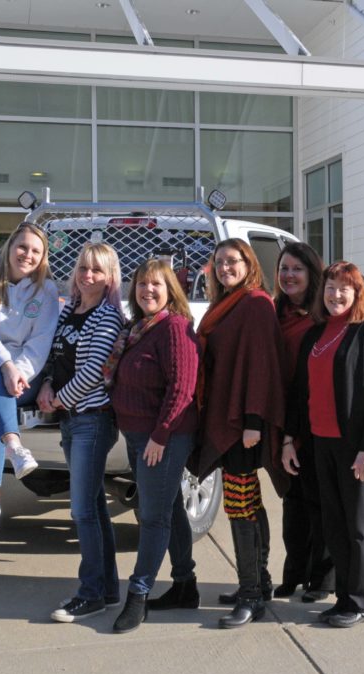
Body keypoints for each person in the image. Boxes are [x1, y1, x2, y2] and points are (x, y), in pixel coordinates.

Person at [284, 261, 364, 627]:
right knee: (334, 526)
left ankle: (361, 602)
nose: (335, 295)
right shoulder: (316, 335)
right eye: (330, 288)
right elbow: (301, 394)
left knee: (358, 527)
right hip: (321, 445)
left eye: (344, 288)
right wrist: (289, 440)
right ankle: (344, 596)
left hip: (356, 449)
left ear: (357, 292)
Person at [188, 238, 285, 629]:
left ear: (249, 264)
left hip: (242, 424)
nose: (226, 267)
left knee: (239, 506)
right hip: (225, 418)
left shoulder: (257, 304)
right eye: (220, 262)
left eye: (234, 261)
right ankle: (259, 583)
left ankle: (250, 596)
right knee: (247, 504)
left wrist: (252, 422)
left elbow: (261, 366)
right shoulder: (224, 304)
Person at [108, 258, 201, 634]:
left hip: (162, 437)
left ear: (170, 291)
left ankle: (138, 593)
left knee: (153, 516)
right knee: (170, 506)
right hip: (136, 434)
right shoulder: (138, 329)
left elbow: (182, 388)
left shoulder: (174, 328)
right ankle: (184, 586)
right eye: (142, 284)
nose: (148, 290)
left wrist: (160, 435)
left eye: (157, 285)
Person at [39, 243, 126, 623]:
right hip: (71, 419)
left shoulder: (107, 317)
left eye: (96, 270)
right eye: (82, 269)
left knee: (82, 512)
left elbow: (93, 372)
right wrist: (44, 386)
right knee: (93, 509)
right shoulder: (68, 311)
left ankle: (89, 594)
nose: (87, 276)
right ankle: (106, 590)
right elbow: (53, 355)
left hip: (92, 418)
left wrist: (58, 399)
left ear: (109, 277)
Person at [0, 222, 59, 539]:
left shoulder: (46, 290)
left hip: (23, 374)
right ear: (9, 247)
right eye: (22, 247)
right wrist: (6, 365)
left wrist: (19, 371)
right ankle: (14, 446)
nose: (27, 255)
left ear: (43, 257)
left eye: (35, 251)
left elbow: (41, 341)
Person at [271, 242, 335, 602]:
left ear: (312, 273)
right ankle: (293, 572)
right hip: (285, 418)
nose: (289, 275)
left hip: (318, 420)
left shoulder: (322, 315)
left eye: (297, 268)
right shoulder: (274, 312)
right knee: (292, 501)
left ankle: (322, 579)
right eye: (284, 268)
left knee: (320, 502)